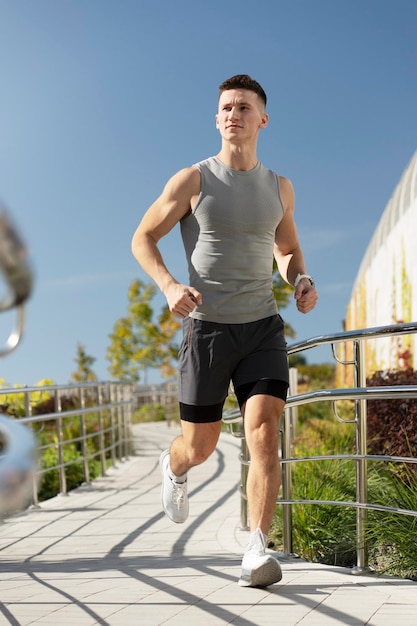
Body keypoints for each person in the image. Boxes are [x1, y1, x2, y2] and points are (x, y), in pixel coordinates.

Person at [131, 74, 318, 587]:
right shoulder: (193, 180)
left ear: (263, 119)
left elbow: (286, 249)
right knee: (202, 445)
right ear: (217, 120)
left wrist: (299, 278)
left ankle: (257, 550)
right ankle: (174, 467)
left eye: (243, 106)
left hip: (261, 327)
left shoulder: (280, 187)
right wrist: (169, 286)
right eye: (225, 107)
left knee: (263, 435)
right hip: (207, 330)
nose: (233, 113)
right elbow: (143, 237)